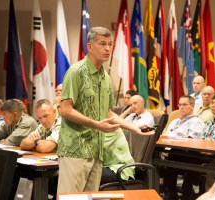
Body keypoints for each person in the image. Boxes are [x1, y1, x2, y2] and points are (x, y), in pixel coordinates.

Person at [57, 27, 152, 193]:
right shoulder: (76, 71)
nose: (108, 48)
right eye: (102, 44)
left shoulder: (106, 77)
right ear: (90, 46)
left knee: (91, 198)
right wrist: (96, 125)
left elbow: (107, 113)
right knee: (70, 198)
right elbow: (64, 110)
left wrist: (133, 128)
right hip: (75, 149)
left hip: (97, 151)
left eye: (110, 44)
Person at [162, 95, 205, 200]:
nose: (181, 107)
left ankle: (187, 194)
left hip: (190, 153)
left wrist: (173, 137)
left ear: (192, 106)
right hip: (175, 151)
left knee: (177, 161)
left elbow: (191, 140)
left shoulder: (196, 122)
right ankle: (171, 194)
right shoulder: (174, 122)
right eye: (180, 104)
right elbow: (165, 136)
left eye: (184, 105)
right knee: (167, 165)